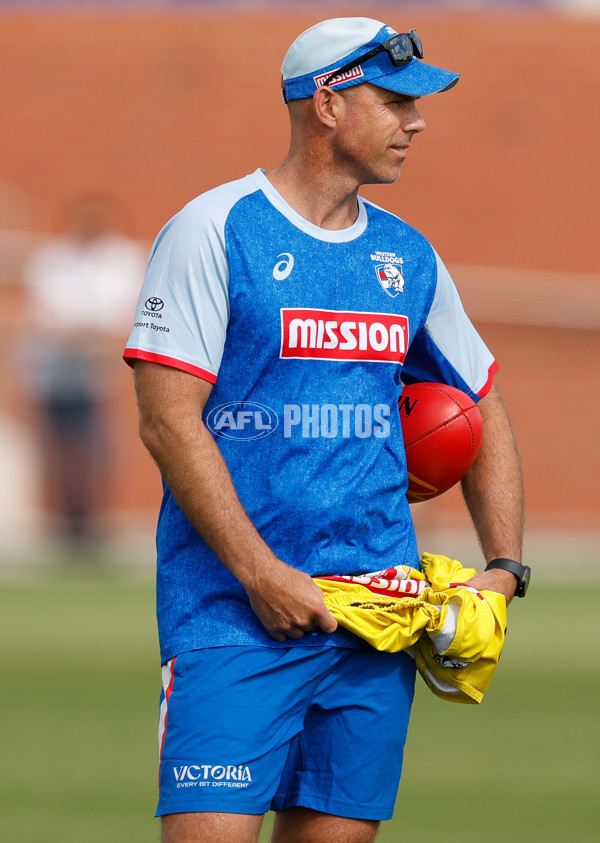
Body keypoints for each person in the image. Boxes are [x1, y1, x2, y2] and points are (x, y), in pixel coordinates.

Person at [124, 17, 526, 843]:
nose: (417, 122)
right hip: (233, 619)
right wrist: (263, 574)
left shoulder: (409, 256)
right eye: (396, 102)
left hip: (377, 623)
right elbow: (166, 422)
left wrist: (505, 567)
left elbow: (480, 398)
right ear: (329, 103)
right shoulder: (215, 228)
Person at [23, 196, 145, 546]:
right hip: (54, 368)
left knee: (97, 446)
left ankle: (95, 519)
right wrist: (76, 333)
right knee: (57, 446)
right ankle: (66, 520)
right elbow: (43, 316)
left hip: (102, 372)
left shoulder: (123, 262)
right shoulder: (54, 260)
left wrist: (89, 335)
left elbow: (129, 317)